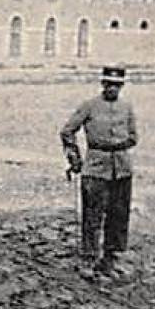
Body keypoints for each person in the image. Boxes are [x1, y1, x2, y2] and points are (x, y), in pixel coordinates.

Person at [60, 66, 139, 274]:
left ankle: (111, 259)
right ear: (102, 84)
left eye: (117, 85)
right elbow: (67, 131)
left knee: (118, 215)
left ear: (121, 86)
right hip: (95, 167)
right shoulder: (89, 106)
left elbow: (133, 137)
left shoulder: (126, 107)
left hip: (121, 168)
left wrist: (118, 144)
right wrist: (74, 158)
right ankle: (89, 258)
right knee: (92, 215)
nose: (112, 89)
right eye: (108, 84)